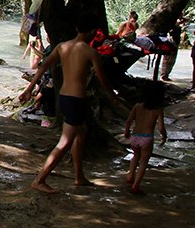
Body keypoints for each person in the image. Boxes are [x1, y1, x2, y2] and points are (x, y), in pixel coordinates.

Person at [19, 14, 120, 194]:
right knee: (65, 142)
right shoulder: (90, 52)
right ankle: (40, 179)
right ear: (90, 32)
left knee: (81, 134)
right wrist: (113, 96)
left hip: (64, 97)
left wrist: (29, 89)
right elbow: (102, 79)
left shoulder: (62, 47)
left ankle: (79, 176)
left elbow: (42, 66)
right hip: (76, 100)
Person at [123, 86, 167, 195]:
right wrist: (164, 136)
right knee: (143, 162)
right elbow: (161, 127)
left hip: (135, 136)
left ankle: (130, 176)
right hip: (147, 138)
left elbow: (129, 120)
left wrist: (127, 131)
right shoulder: (158, 110)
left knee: (135, 156)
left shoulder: (137, 106)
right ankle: (136, 186)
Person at [160, 15, 187, 81]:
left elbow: (186, 19)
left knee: (172, 60)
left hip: (175, 42)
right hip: (171, 42)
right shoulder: (171, 23)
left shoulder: (176, 23)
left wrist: (181, 18)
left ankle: (166, 75)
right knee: (168, 59)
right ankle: (163, 75)